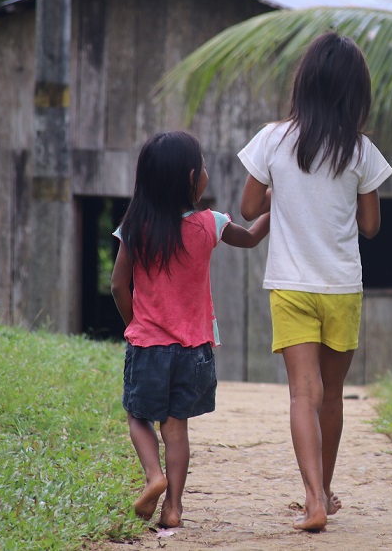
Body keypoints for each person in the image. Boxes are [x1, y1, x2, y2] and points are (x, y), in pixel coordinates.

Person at [238, 31, 392, 532]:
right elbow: (370, 226)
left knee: (302, 394)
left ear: (303, 84)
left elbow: (246, 207)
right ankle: (325, 488)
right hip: (342, 287)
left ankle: (312, 500)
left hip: (291, 285)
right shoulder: (362, 151)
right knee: (332, 395)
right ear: (357, 93)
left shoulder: (273, 139)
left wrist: (282, 195)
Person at [111, 130, 270, 528]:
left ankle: (153, 476)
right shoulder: (210, 224)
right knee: (176, 428)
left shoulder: (135, 227)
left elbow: (117, 284)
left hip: (148, 346)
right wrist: (277, 206)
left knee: (137, 416)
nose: (209, 175)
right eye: (205, 168)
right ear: (191, 177)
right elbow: (251, 238)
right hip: (194, 350)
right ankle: (174, 508)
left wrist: (136, 325)